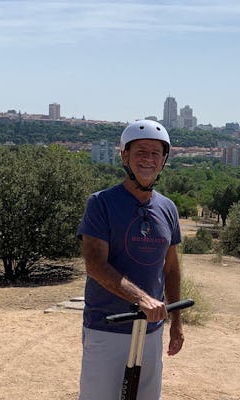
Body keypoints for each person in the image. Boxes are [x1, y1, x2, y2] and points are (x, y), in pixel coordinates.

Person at [76, 119, 184, 400]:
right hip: (107, 326)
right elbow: (95, 265)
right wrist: (142, 299)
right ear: (125, 156)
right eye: (141, 152)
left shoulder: (168, 208)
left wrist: (177, 322)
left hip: (151, 330)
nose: (148, 159)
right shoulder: (101, 203)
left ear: (163, 161)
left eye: (155, 153)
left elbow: (170, 270)